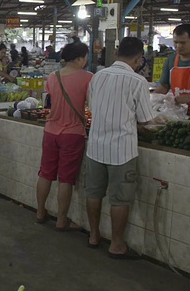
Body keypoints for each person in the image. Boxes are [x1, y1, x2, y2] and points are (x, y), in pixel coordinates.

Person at [85, 37, 154, 257]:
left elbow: (93, 108)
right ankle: (116, 244)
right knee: (120, 198)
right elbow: (145, 121)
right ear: (138, 58)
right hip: (122, 151)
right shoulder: (137, 82)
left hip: (95, 146)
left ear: (116, 54)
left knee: (94, 193)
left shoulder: (97, 77)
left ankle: (94, 235)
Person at [35, 42, 93, 231]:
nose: (86, 61)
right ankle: (61, 220)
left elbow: (48, 100)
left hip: (50, 131)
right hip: (73, 133)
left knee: (45, 174)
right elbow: (91, 106)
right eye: (85, 57)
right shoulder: (88, 78)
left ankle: (40, 212)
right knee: (65, 180)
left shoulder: (53, 76)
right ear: (78, 59)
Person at [155, 24, 190, 113]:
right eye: (176, 42)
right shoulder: (171, 60)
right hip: (179, 114)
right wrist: (151, 96)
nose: (178, 46)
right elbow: (164, 87)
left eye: (183, 43)